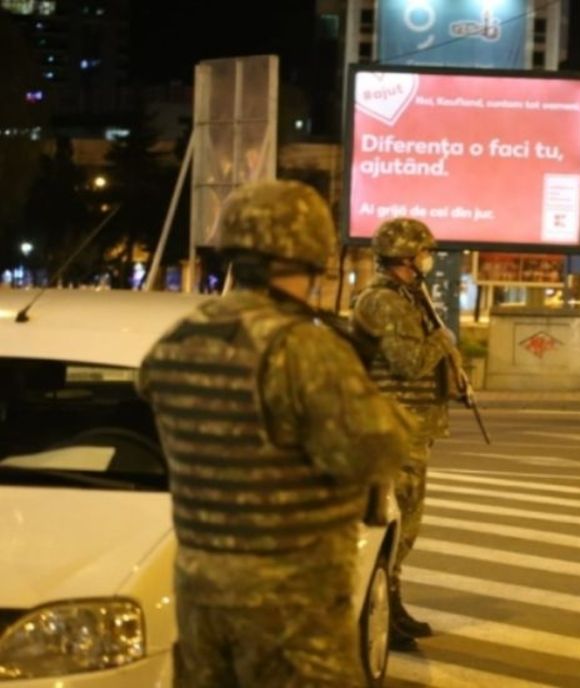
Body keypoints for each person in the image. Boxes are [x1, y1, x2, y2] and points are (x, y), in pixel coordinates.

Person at [136, 180, 412, 686]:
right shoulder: (302, 348)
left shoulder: (180, 337)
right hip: (288, 597)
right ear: (305, 255)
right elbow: (377, 451)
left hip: (200, 586)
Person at [350, 217, 463, 651]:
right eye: (424, 252)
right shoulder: (383, 301)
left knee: (406, 526)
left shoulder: (407, 297)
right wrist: (444, 340)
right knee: (396, 528)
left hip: (411, 426)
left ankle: (392, 606)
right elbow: (407, 362)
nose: (428, 259)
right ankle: (378, 611)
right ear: (407, 258)